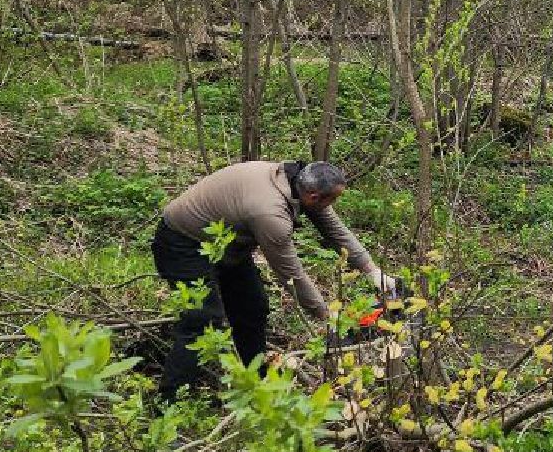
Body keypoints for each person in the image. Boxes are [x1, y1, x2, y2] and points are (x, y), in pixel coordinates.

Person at [151, 159, 393, 398]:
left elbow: (335, 230)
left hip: (227, 245)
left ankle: (255, 382)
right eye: (334, 199)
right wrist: (326, 314)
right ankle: (169, 400)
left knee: (253, 307)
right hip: (182, 243)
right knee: (202, 321)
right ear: (313, 197)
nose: (335, 204)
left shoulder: (296, 183)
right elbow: (291, 274)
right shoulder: (270, 212)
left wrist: (373, 272)